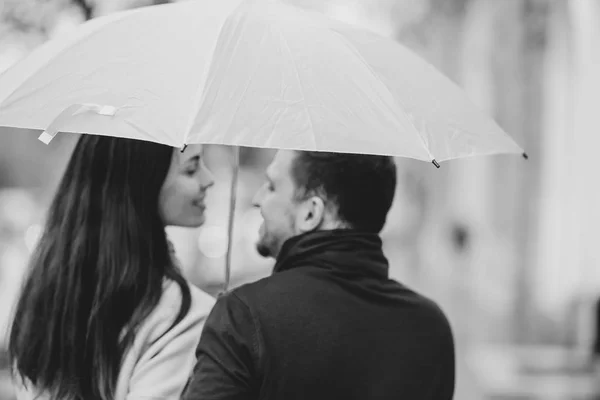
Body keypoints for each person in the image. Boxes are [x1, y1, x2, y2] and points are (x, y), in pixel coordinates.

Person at [183, 150, 456, 400]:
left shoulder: (244, 316)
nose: (258, 199)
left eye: (272, 186)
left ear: (311, 212)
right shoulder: (431, 327)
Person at [9, 136, 216, 400]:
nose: (208, 179)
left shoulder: (49, 291)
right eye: (191, 169)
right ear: (142, 180)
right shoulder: (184, 312)